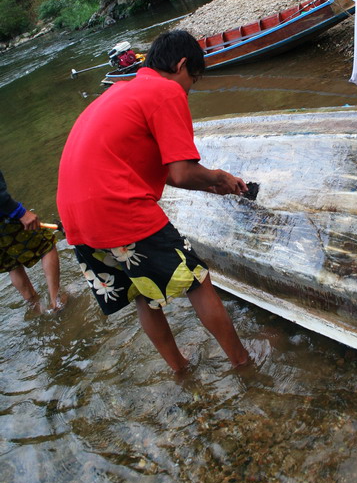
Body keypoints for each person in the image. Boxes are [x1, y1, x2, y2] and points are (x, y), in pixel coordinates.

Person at [57, 29, 250, 373]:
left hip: (75, 218)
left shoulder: (119, 91)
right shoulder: (165, 91)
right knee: (196, 280)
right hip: (116, 209)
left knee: (143, 293)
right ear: (182, 65)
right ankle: (243, 362)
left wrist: (209, 187)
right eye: (193, 79)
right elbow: (180, 173)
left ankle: (180, 370)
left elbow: (140, 165)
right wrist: (220, 177)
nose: (189, 88)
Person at [0, 170, 63, 312]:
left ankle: (36, 307)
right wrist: (19, 212)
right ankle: (56, 302)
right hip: (4, 217)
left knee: (11, 264)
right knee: (46, 246)